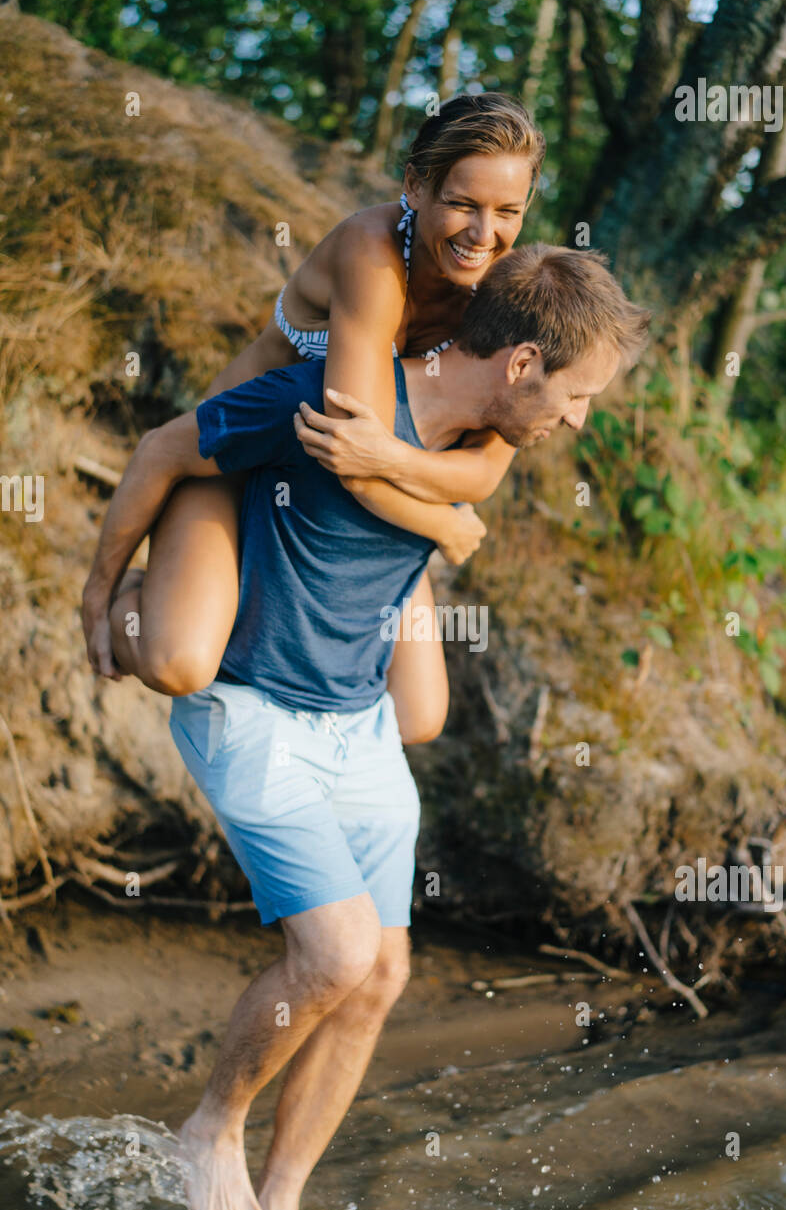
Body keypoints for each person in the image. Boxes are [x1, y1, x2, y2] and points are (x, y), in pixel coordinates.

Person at [81, 243, 650, 1210]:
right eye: (579, 395)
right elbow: (164, 451)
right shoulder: (320, 407)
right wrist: (107, 596)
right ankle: (211, 1126)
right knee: (336, 951)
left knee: (381, 974)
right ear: (522, 364)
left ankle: (284, 1207)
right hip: (253, 710)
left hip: (357, 726)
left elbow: (430, 514)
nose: (580, 418)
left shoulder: (476, 442)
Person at [84, 93, 548, 746]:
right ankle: (144, 593)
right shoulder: (371, 251)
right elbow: (350, 450)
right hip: (238, 460)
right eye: (463, 204)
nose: (482, 235)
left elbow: (480, 471)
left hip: (336, 500)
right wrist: (439, 521)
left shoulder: (503, 294)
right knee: (178, 662)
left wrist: (429, 484)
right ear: (415, 185)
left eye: (508, 212)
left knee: (416, 718)